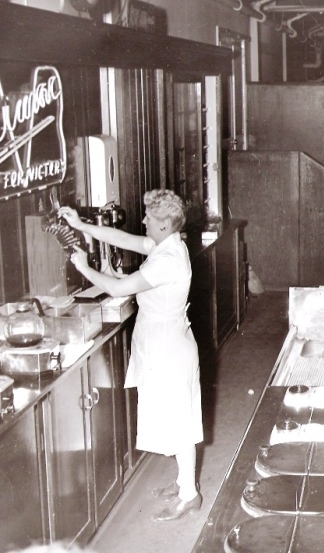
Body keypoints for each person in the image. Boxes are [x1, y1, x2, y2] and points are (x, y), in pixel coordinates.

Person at [59, 190, 203, 523]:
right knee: (173, 418)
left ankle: (189, 496)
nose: (144, 221)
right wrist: (81, 225)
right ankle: (184, 483)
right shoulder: (167, 244)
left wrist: (83, 267)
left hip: (167, 349)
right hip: (162, 343)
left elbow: (118, 289)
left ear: (164, 224)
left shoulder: (169, 259)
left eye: (149, 217)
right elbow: (123, 239)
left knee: (179, 422)